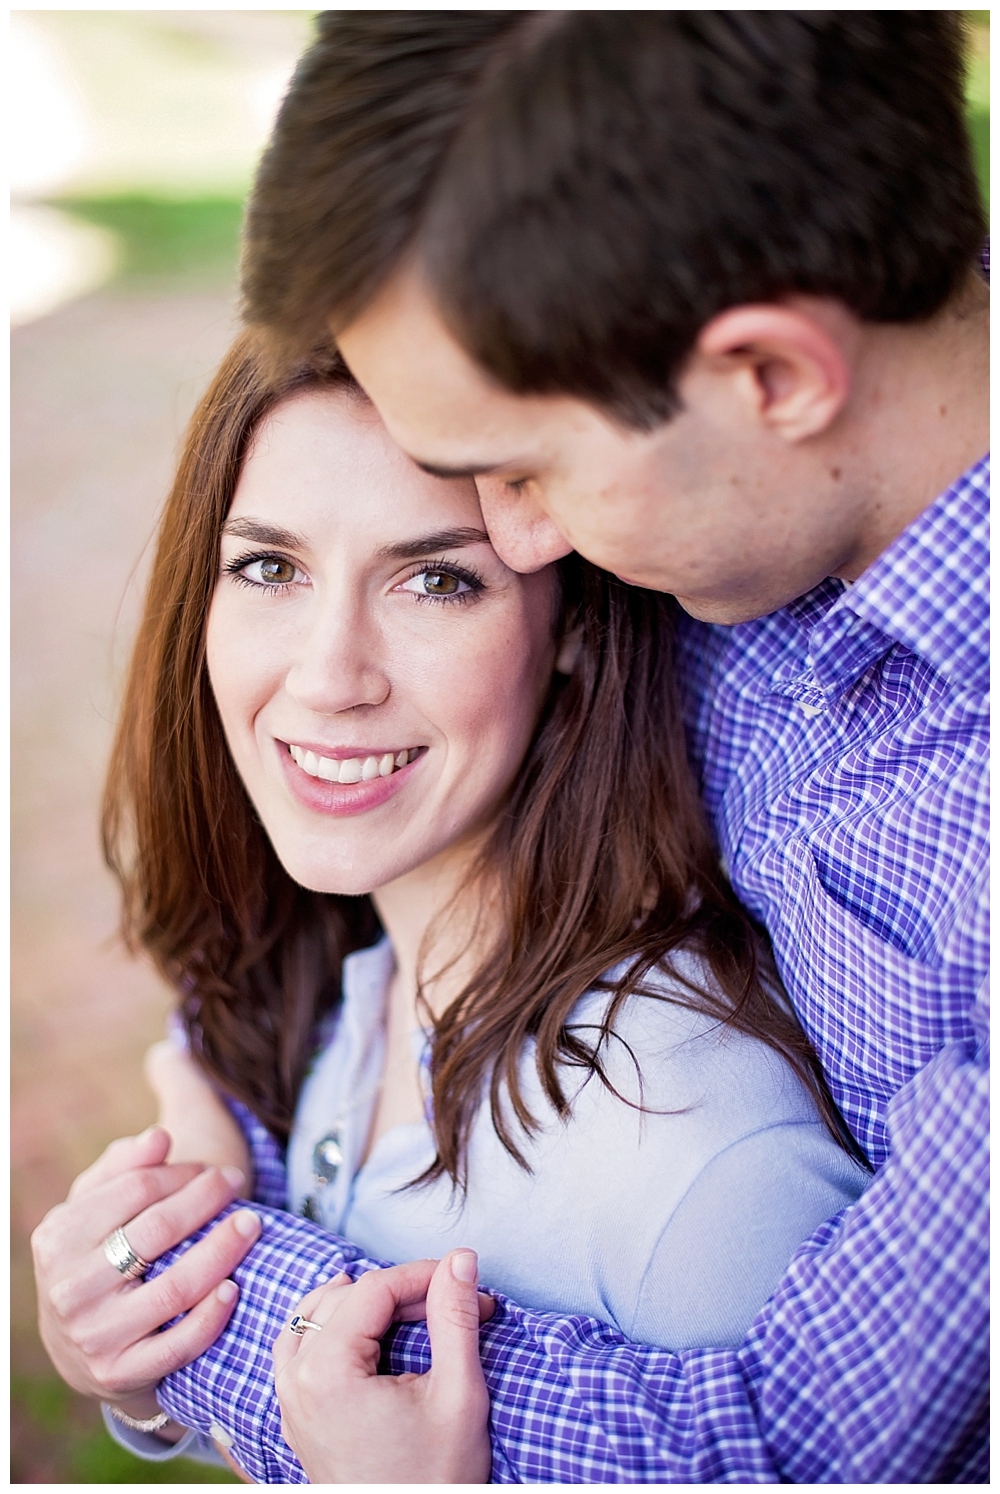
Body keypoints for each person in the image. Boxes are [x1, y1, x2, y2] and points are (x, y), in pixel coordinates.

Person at [35, 10, 989, 1483]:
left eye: (518, 471)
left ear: (778, 378)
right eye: (267, 566)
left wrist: (219, 1310)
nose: (525, 536)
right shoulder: (736, 541)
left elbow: (807, 1444)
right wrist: (202, 1109)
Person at [33, 333, 868, 1477]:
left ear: (573, 623)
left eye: (436, 579)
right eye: (271, 568)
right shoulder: (356, 968)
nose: (330, 675)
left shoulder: (699, 1172)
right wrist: (145, 1374)